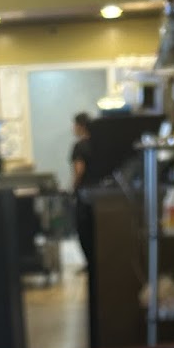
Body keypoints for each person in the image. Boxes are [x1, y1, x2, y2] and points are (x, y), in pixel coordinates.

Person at [70, 112, 96, 271]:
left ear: (80, 126)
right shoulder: (98, 145)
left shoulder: (79, 147)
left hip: (84, 195)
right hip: (98, 195)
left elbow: (79, 170)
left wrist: (73, 187)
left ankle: (89, 264)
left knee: (83, 232)